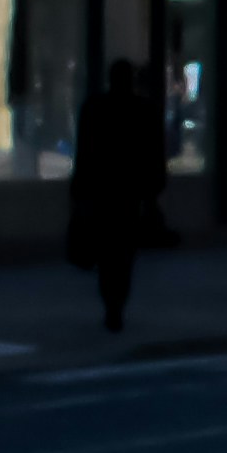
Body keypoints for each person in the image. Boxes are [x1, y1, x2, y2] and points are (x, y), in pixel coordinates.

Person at [67, 71, 160, 340]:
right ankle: (116, 304)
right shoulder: (143, 110)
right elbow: (152, 154)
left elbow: (83, 153)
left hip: (103, 193)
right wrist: (151, 194)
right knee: (123, 255)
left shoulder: (95, 109)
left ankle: (112, 303)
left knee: (108, 253)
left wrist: (79, 191)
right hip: (127, 194)